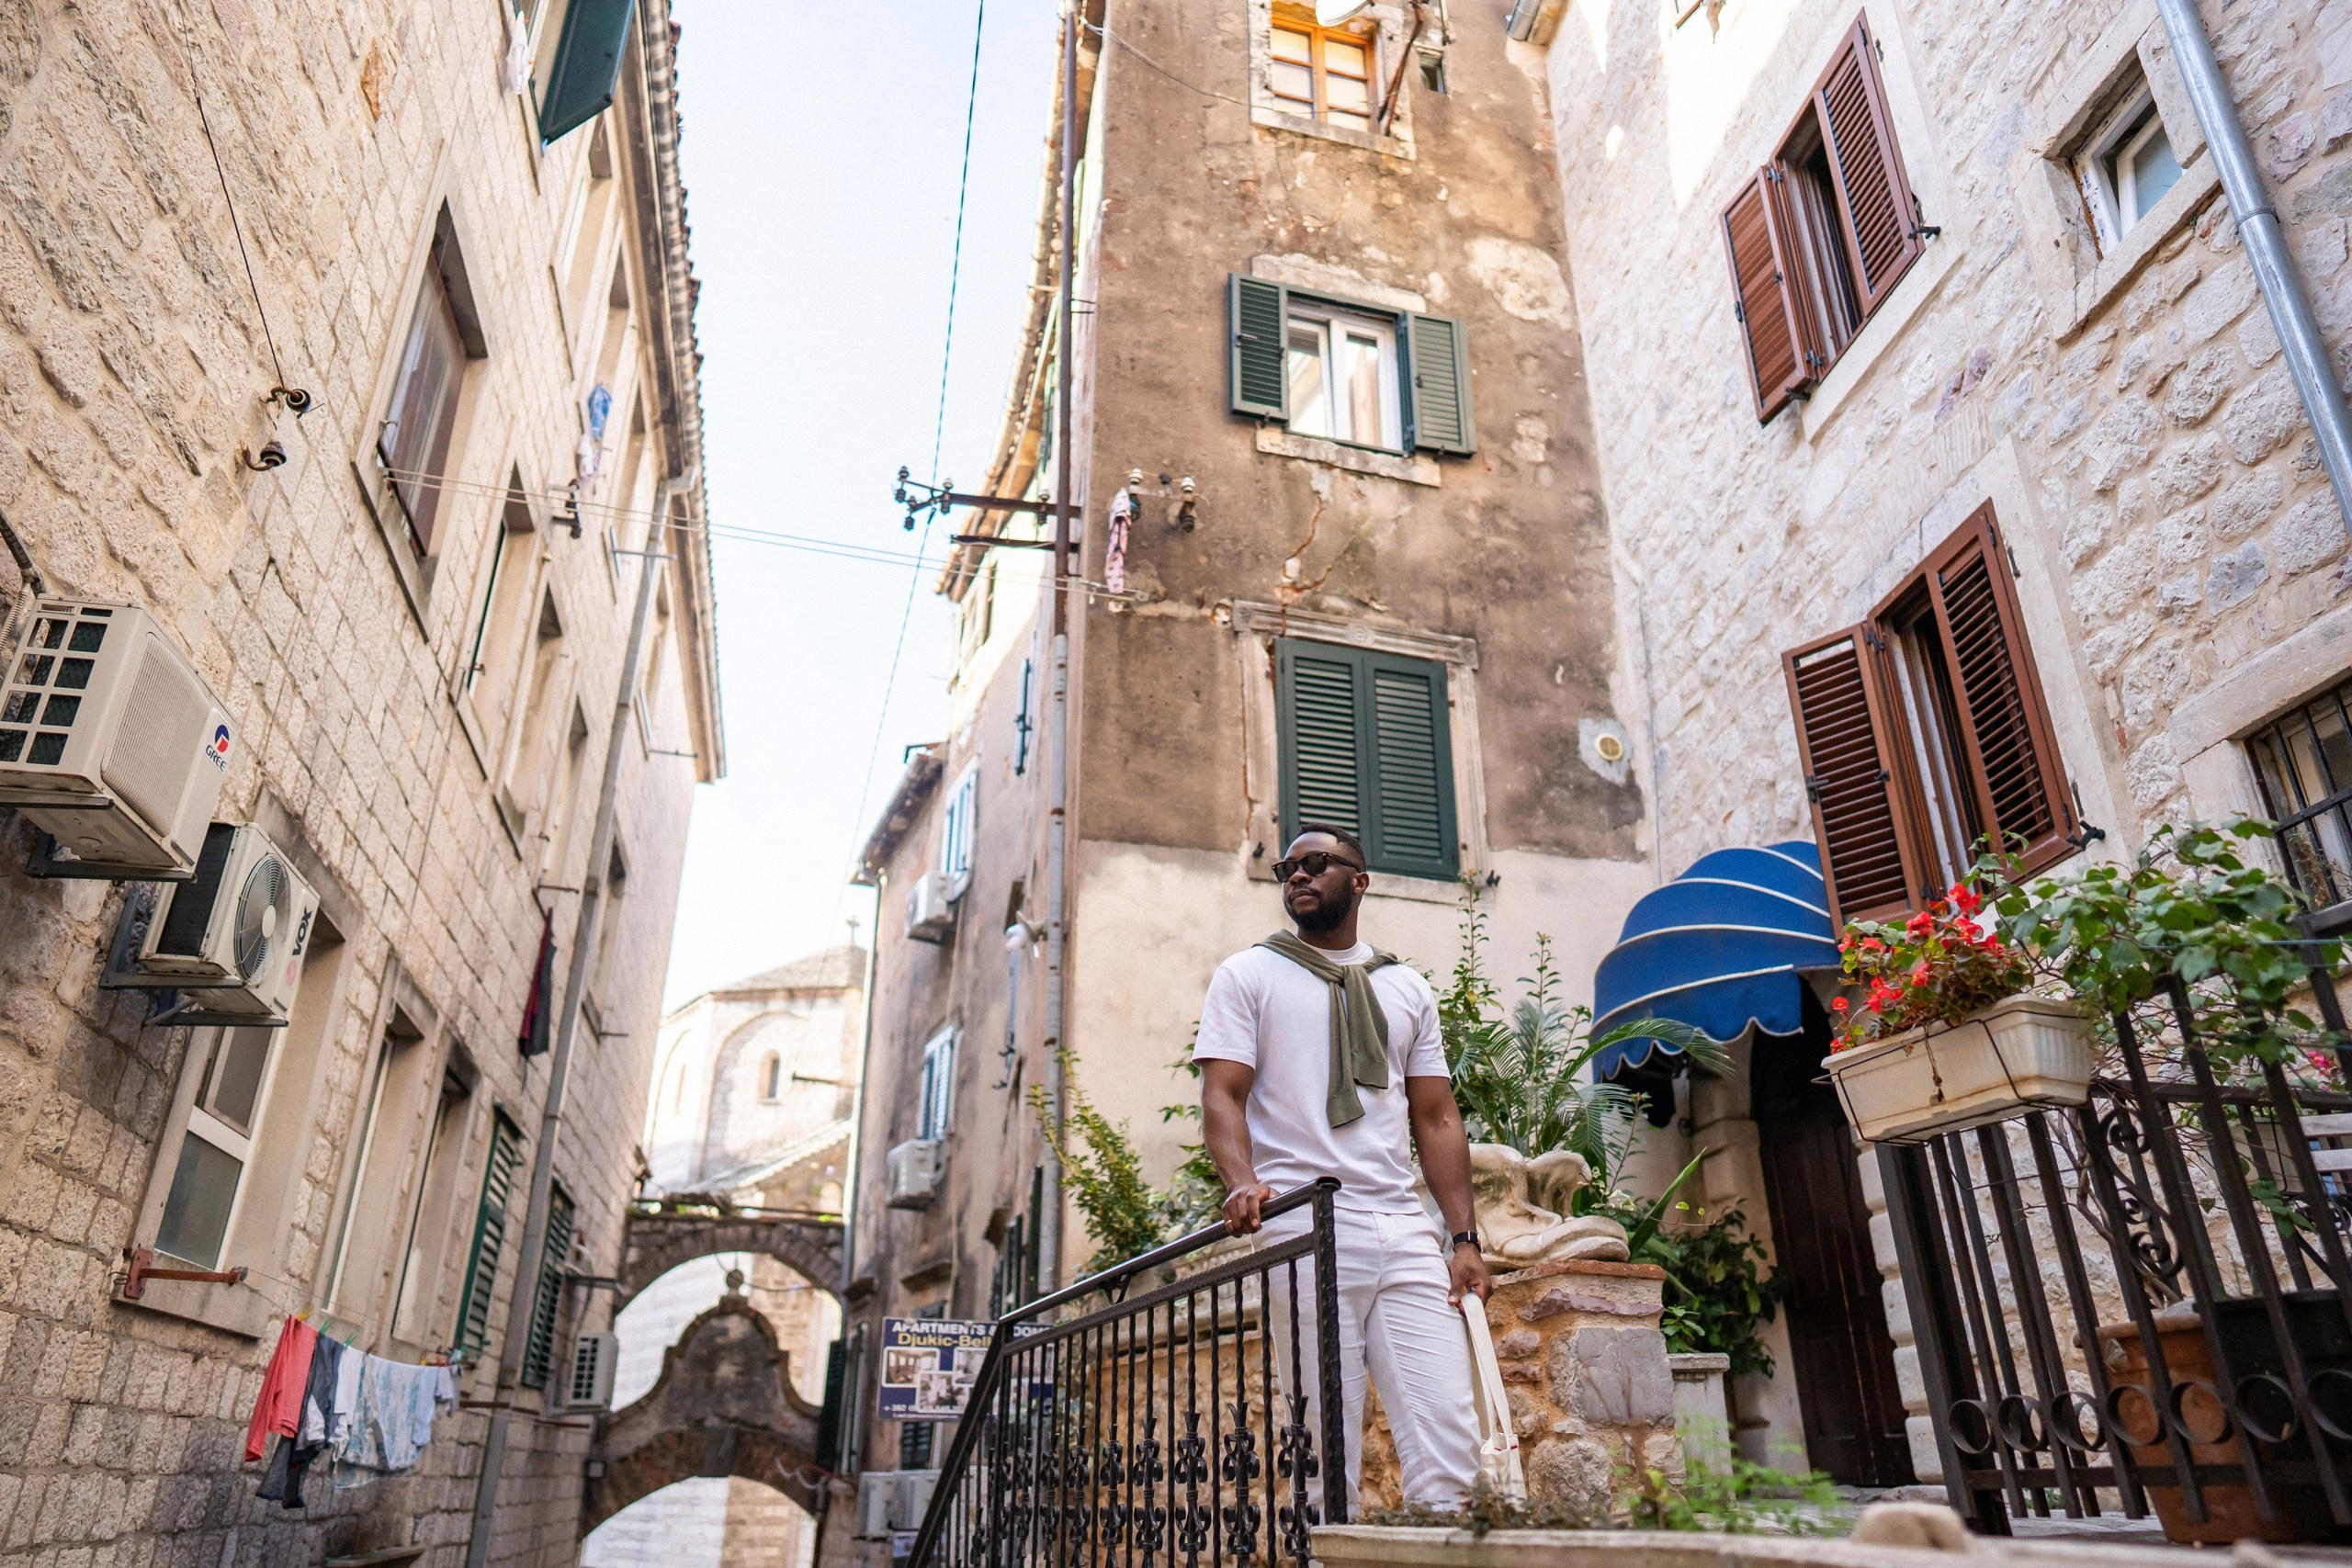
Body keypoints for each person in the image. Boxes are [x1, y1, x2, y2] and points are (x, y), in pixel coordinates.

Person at [1193, 824, 1487, 1512]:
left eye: (1316, 863)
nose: (1297, 875)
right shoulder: (1248, 974)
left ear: (1359, 880)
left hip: (1402, 1225)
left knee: (1451, 1438)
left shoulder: (1408, 987)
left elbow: (1437, 1116)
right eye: (1287, 867)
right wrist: (1241, 1179)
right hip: (1306, 1223)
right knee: (1325, 1453)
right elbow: (1222, 1094)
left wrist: (1464, 1239)